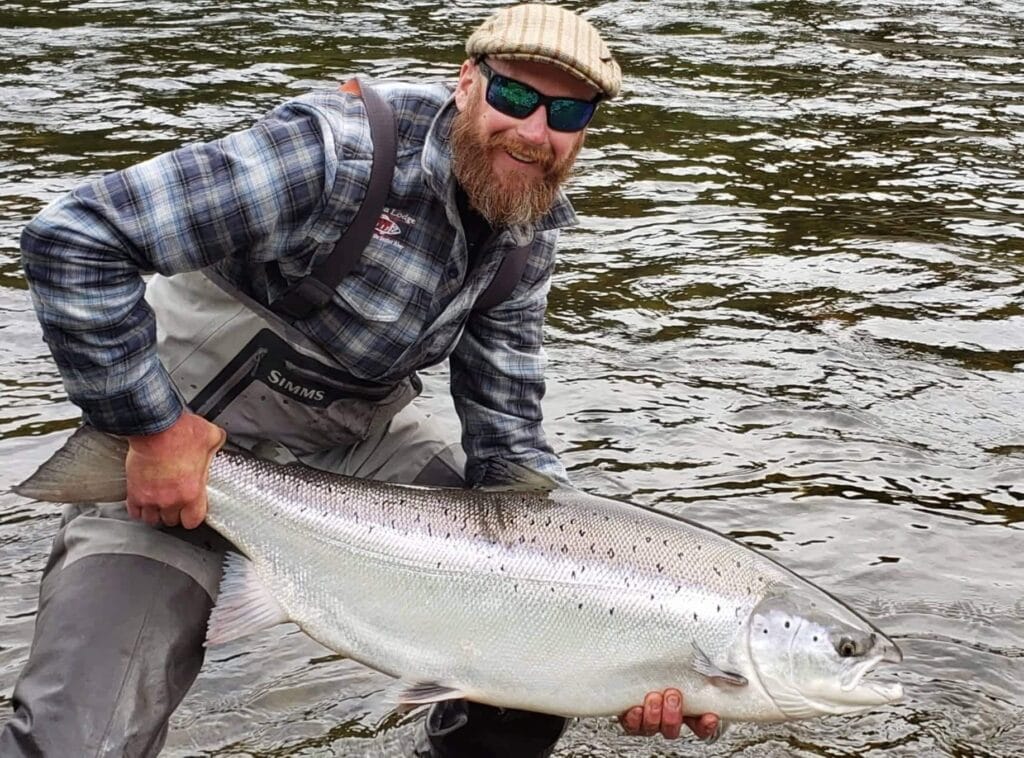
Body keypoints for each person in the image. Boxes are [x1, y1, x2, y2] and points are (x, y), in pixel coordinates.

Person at [2, 3, 719, 756]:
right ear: (467, 82)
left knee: (534, 656)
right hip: (172, 449)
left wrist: (642, 653)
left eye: (566, 112)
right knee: (79, 736)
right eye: (514, 96)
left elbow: (508, 440)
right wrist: (150, 427)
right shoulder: (335, 152)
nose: (535, 132)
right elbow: (74, 236)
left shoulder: (527, 228)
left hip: (351, 454)